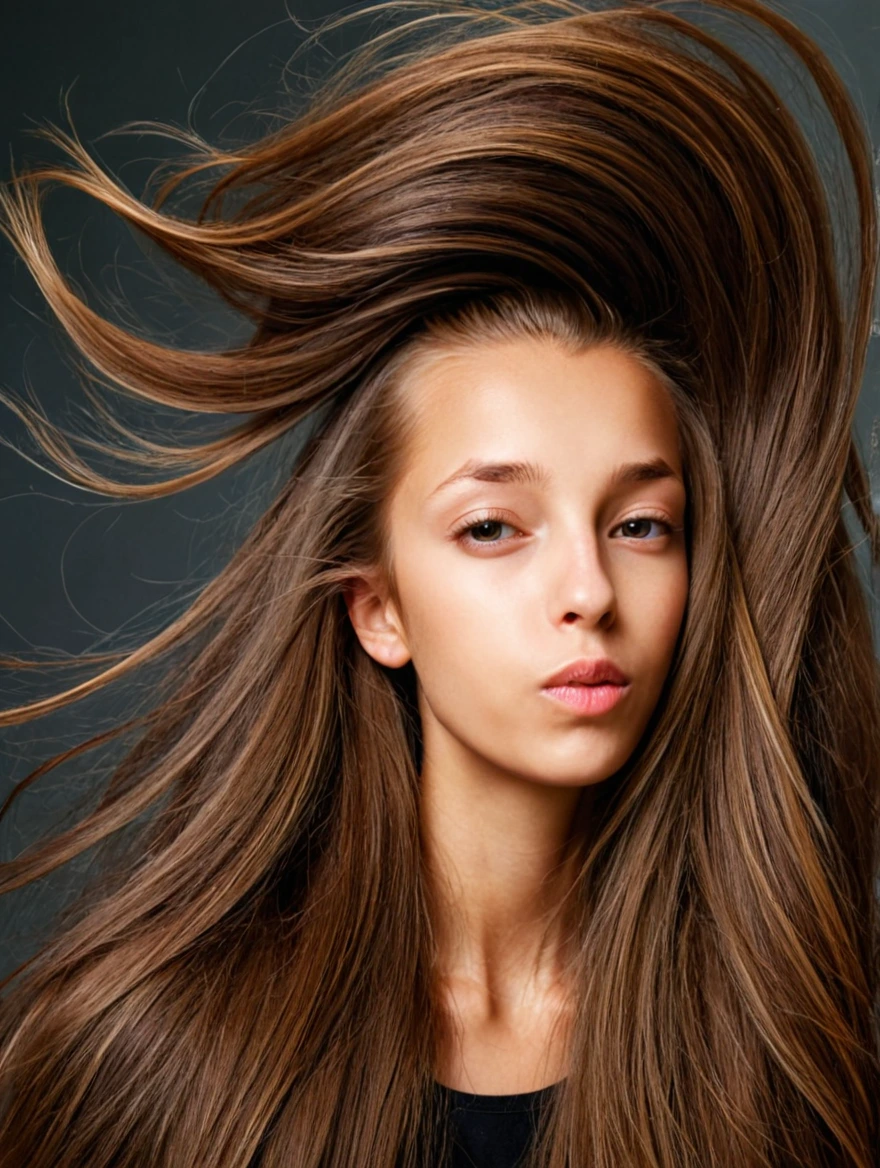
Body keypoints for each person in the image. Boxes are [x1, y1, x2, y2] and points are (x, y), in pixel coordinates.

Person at [0, 0, 878, 1164]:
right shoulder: (156, 1058)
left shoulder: (795, 1053)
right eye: (491, 528)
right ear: (378, 610)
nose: (588, 589)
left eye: (640, 523)